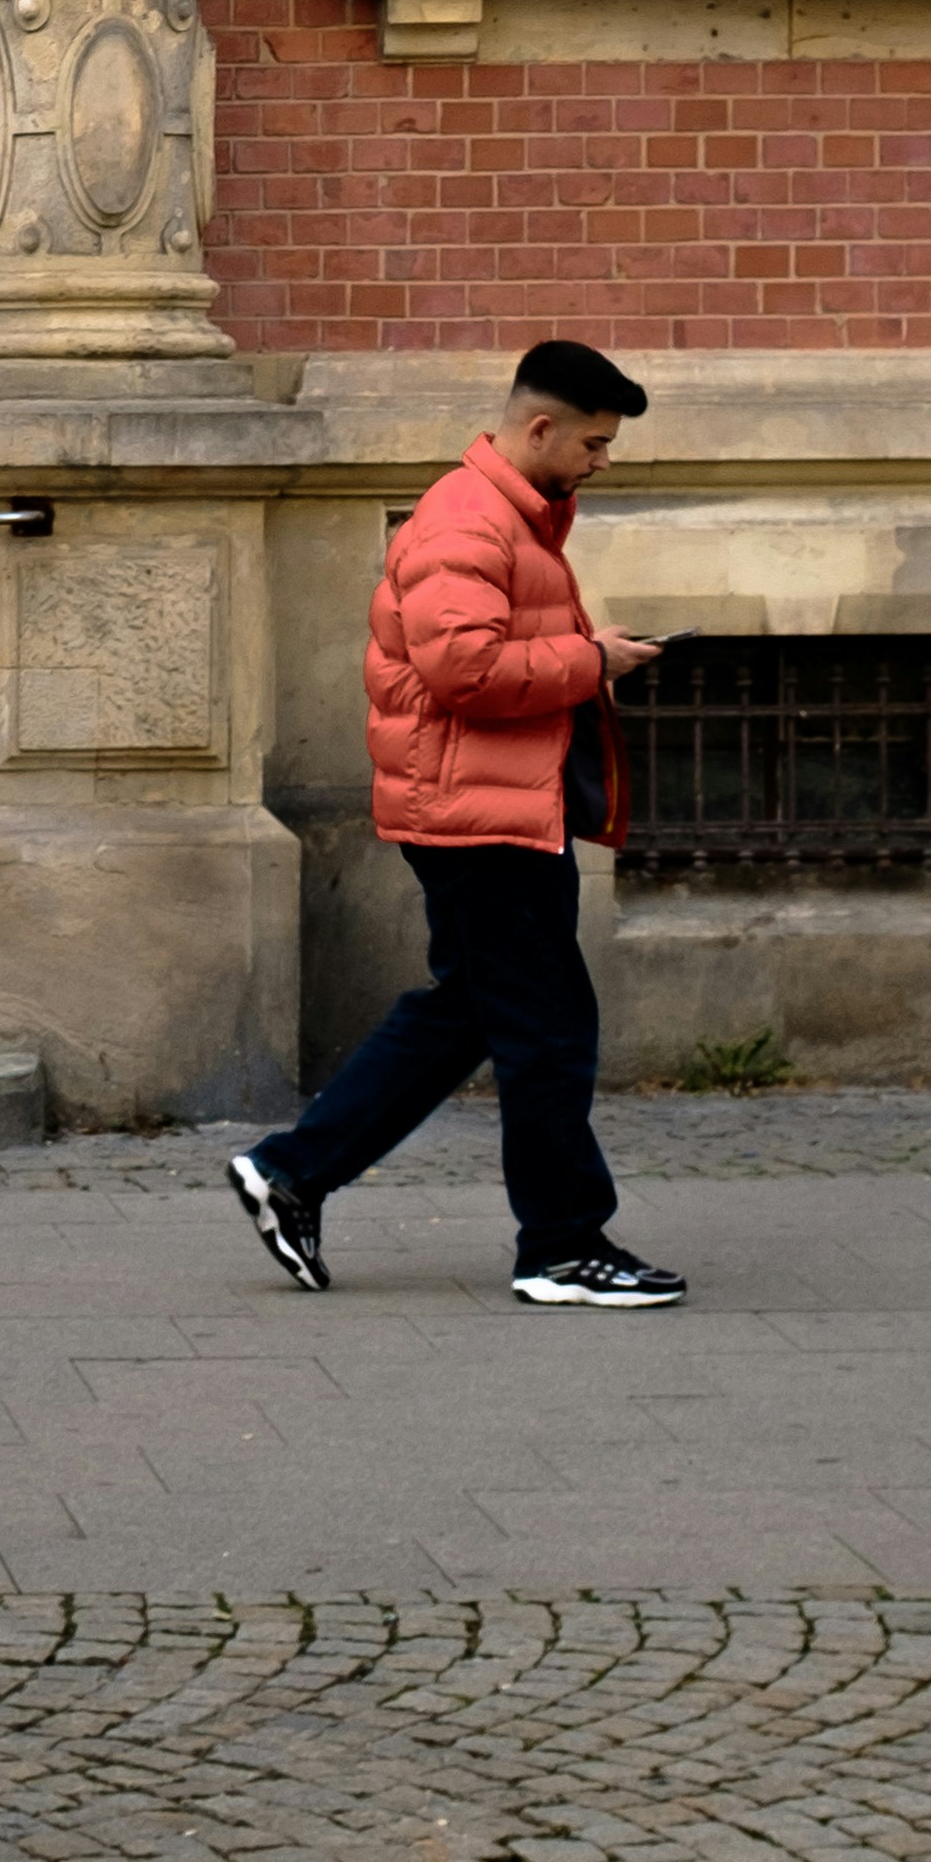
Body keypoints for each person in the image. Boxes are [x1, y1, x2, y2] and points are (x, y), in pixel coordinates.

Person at [228, 337, 686, 1309]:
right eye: (594, 445)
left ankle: (294, 1172)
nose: (602, 462)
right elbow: (464, 674)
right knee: (551, 1031)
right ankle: (561, 1247)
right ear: (539, 428)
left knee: (466, 1015)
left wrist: (585, 657)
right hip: (482, 822)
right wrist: (591, 661)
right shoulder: (467, 525)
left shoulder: (517, 520)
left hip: (489, 807)